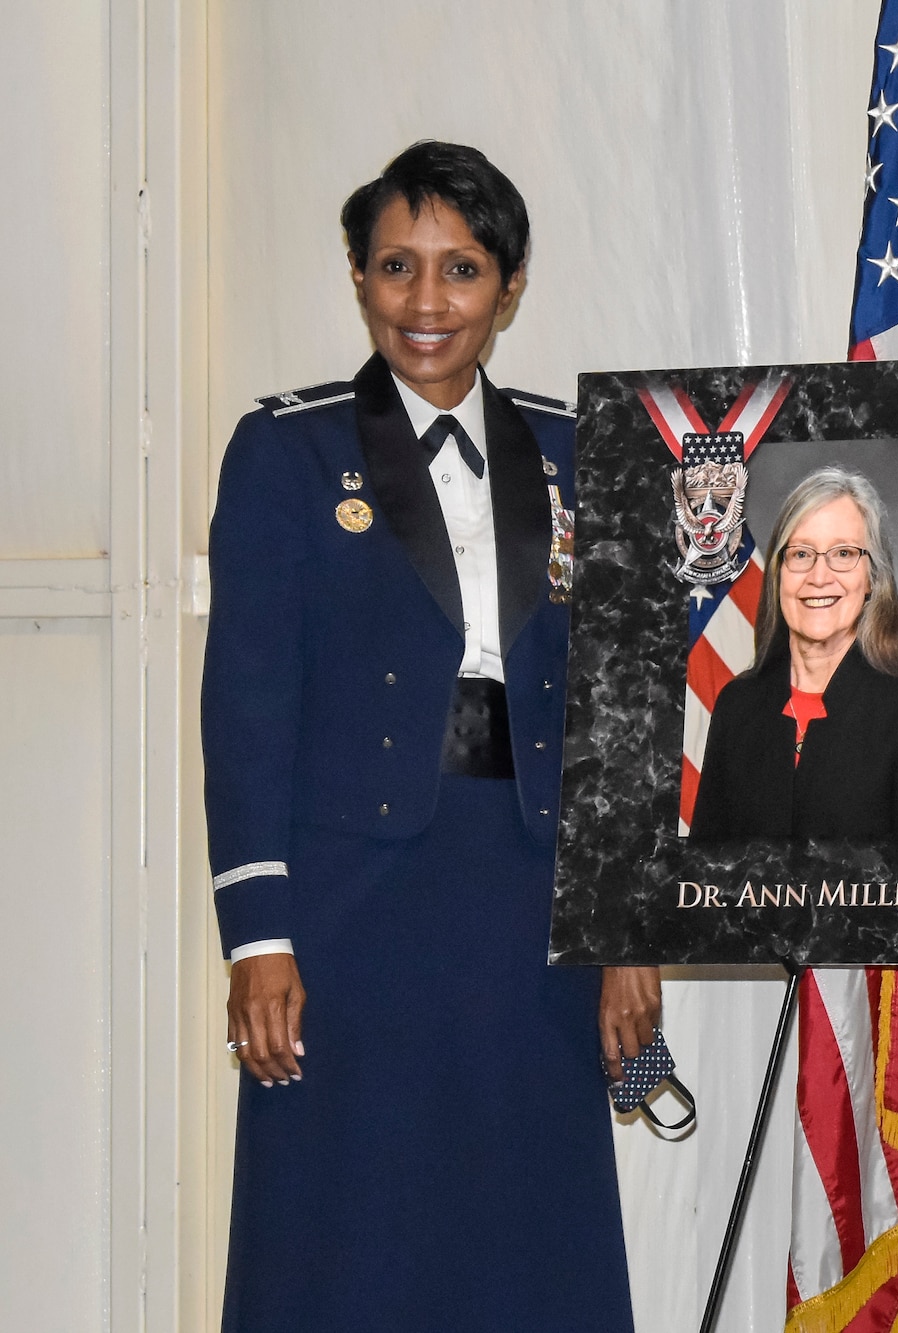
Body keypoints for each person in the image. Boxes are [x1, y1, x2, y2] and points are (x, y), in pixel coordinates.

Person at [203, 140, 659, 1331]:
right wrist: (258, 935)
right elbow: (246, 704)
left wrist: (624, 928)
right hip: (351, 909)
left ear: (506, 290)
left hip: (528, 900)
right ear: (358, 276)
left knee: (525, 1234)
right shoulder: (286, 452)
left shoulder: (578, 451)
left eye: (460, 270)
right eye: (397, 265)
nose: (426, 301)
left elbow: (618, 704)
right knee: (343, 1235)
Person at [689, 468, 898, 839]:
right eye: (801, 553)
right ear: (779, 573)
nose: (819, 576)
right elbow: (703, 877)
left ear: (872, 580)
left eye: (843, 553)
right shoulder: (737, 705)